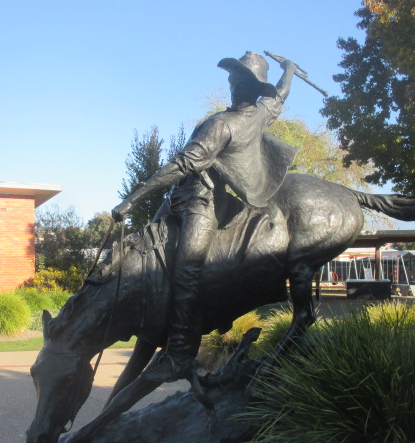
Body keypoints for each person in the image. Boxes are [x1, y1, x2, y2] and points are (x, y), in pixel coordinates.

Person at [112, 51, 297, 382]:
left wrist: (131, 199)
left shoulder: (222, 125)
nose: (231, 83)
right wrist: (290, 70)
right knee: (144, 251)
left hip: (203, 204)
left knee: (187, 274)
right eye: (232, 77)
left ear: (252, 87)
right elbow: (280, 95)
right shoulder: (260, 112)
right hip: (176, 199)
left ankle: (180, 350)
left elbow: (183, 163)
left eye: (238, 79)